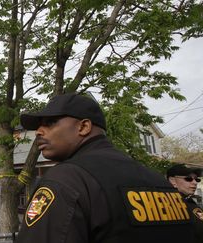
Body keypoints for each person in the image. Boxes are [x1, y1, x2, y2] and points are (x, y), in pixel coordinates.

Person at [16, 93, 193, 243]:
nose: (39, 131)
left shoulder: (66, 180)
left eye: (50, 122)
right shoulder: (158, 181)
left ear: (84, 127)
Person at [167, 164, 203, 242]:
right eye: (188, 179)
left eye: (197, 179)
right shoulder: (165, 205)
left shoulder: (191, 203)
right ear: (173, 181)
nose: (195, 183)